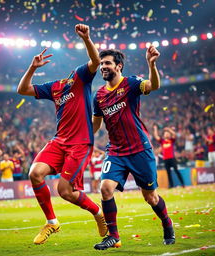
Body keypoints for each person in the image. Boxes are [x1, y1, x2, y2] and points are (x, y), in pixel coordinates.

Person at [17, 24, 107, 245]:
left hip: (80, 143)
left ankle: (98, 213)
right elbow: (22, 90)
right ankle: (52, 222)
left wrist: (87, 38)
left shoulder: (80, 76)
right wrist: (32, 67)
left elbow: (95, 62)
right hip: (59, 141)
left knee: (65, 191)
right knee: (35, 173)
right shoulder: (54, 86)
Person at [92, 46, 175, 250]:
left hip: (139, 149)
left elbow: (153, 85)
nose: (103, 66)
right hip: (116, 151)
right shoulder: (99, 96)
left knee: (150, 197)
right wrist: (80, 137)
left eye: (107, 63)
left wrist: (151, 64)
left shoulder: (131, 83)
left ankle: (167, 224)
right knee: (105, 188)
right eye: (101, 63)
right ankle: (114, 236)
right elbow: (95, 124)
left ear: (118, 66)